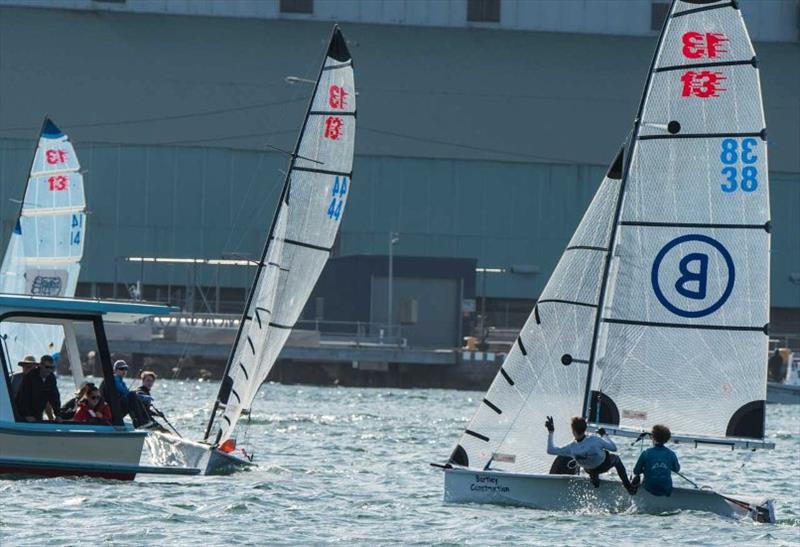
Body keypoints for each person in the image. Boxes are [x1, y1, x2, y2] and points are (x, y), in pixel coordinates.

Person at [545, 415, 636, 494]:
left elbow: (550, 450)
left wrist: (551, 432)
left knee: (584, 462)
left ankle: (594, 480)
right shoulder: (595, 440)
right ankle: (628, 486)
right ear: (585, 429)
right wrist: (604, 435)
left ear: (573, 431)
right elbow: (613, 448)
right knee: (616, 459)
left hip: (590, 470)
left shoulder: (571, 447)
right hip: (604, 465)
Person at [632, 424, 681, 497]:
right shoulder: (671, 454)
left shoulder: (646, 453)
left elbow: (636, 471)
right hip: (666, 490)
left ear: (653, 437)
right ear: (667, 440)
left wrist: (645, 469)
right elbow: (677, 469)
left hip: (648, 489)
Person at [15, 355, 61, 422]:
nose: (49, 370)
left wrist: (58, 415)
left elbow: (55, 397)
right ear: (41, 365)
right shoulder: (30, 376)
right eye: (47, 367)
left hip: (38, 413)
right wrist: (27, 415)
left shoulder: (51, 378)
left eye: (52, 368)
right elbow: (23, 396)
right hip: (22, 414)